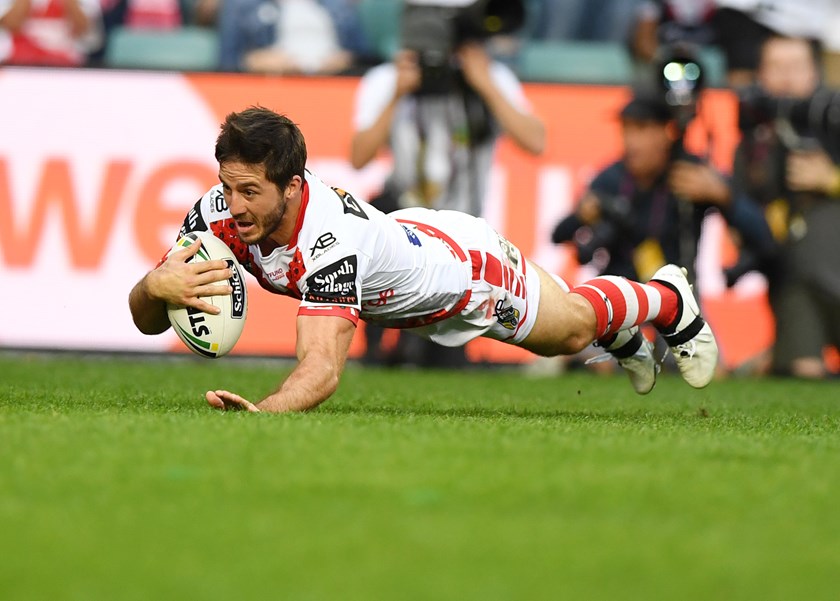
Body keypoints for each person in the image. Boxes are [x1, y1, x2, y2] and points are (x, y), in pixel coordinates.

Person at [128, 107, 719, 412]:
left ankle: (667, 298)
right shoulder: (218, 213)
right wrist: (156, 286)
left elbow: (322, 369)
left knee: (568, 333)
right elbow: (146, 318)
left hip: (463, 275)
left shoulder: (328, 241)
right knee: (575, 330)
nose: (234, 205)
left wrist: (263, 412)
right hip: (404, 249)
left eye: (250, 192)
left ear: (292, 187)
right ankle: (624, 334)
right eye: (227, 187)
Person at [351, 22, 545, 365]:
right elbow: (358, 156)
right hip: (403, 221)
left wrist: (485, 84)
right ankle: (378, 348)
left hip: (462, 231)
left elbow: (536, 141)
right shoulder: (387, 79)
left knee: (444, 353)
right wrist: (397, 93)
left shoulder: (491, 77)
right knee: (376, 217)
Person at [552, 90, 774, 285]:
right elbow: (557, 234)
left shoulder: (689, 173)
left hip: (676, 296)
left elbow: (763, 235)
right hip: (621, 293)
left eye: (641, 129)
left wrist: (724, 196)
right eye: (626, 129)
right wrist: (581, 216)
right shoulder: (612, 177)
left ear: (666, 132)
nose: (631, 141)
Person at [732, 34, 840, 378]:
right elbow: (742, 223)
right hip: (794, 283)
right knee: (803, 370)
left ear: (814, 74)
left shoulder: (832, 121)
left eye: (796, 66)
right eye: (776, 67)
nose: (786, 77)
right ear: (760, 76)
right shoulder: (753, 145)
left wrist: (832, 180)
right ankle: (783, 354)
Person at [218, 0, 353, 74]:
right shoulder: (242, 5)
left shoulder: (339, 5)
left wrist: (345, 61)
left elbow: (360, 56)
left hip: (334, 83)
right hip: (272, 84)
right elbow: (228, 62)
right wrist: (255, 61)